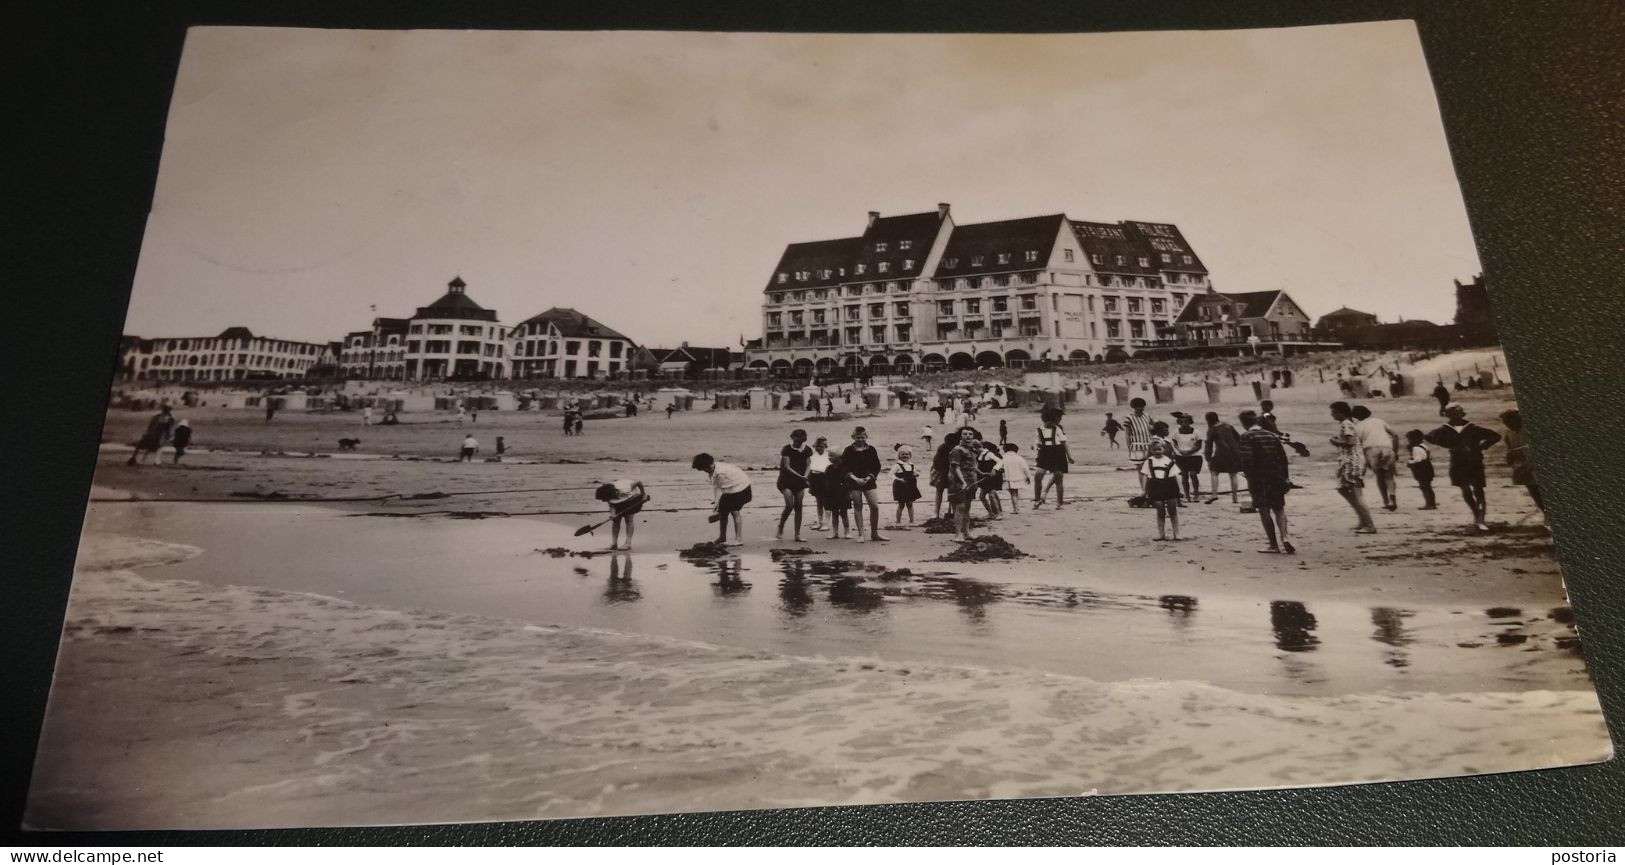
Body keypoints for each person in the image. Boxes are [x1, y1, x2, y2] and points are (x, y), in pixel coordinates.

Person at [1426, 404, 1502, 532]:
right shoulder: (1445, 429)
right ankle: (1476, 514)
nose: (1455, 416)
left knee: (1478, 490)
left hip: (1475, 461)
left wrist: (1483, 445)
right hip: (1458, 463)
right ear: (1447, 416)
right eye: (1451, 414)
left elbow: (1495, 436)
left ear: (1462, 414)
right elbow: (1429, 437)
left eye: (1457, 414)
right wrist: (1448, 445)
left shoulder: (1473, 428)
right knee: (1466, 490)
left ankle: (1481, 519)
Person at [1238, 409, 1294, 554]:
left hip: (1258, 478)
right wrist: (1285, 478)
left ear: (1243, 423)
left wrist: (1248, 475)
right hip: (1276, 476)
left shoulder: (1246, 436)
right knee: (1279, 508)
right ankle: (1285, 537)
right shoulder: (1271, 435)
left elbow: (1247, 460)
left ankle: (1273, 544)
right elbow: (1283, 459)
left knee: (1264, 510)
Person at [1329, 401, 1377, 533]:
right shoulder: (1348, 424)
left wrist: (1335, 442)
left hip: (1352, 461)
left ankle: (1369, 524)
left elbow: (1349, 442)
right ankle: (1363, 520)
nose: (1331, 415)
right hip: (1350, 461)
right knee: (1343, 489)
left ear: (1340, 412)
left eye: (1333, 412)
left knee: (1356, 494)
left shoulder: (1346, 424)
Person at [692, 452, 752, 546]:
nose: (705, 471)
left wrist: (717, 508)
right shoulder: (714, 468)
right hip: (733, 487)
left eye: (704, 469)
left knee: (734, 511)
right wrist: (716, 504)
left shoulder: (720, 473)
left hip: (742, 489)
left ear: (707, 465)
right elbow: (716, 487)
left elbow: (722, 491)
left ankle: (738, 539)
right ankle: (722, 537)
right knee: (723, 510)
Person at [1350, 405, 1402, 511]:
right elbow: (1395, 435)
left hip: (1371, 449)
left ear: (1356, 416)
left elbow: (1357, 444)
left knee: (1379, 475)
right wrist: (1395, 451)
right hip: (1387, 447)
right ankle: (1392, 499)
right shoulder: (1380, 421)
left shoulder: (1358, 426)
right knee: (1389, 476)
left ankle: (1385, 501)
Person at [842, 426, 887, 542]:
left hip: (868, 480)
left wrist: (869, 478)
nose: (861, 440)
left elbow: (876, 466)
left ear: (866, 437)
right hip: (853, 481)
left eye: (863, 437)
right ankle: (861, 534)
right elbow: (845, 467)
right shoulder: (848, 450)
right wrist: (855, 479)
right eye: (858, 437)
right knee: (858, 506)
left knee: (875, 506)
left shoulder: (871, 449)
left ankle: (874, 533)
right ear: (853, 437)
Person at [1500, 409, 1544, 515]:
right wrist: (1510, 460)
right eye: (1505, 423)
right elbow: (1509, 450)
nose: (1507, 425)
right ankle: (1545, 512)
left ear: (1518, 419)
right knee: (1533, 489)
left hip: (1535, 464)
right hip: (1522, 465)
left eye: (1509, 422)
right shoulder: (1508, 433)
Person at [1140, 440, 1183, 541]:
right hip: (1155, 486)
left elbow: (1176, 476)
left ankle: (1176, 533)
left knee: (1172, 510)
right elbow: (1145, 476)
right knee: (1160, 510)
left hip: (1169, 485)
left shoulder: (1168, 461)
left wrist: (1180, 490)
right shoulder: (1149, 461)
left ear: (1164, 449)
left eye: (1159, 449)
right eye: (1154, 450)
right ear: (1151, 450)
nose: (1157, 452)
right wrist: (1144, 490)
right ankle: (1161, 534)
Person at [1032, 405, 1074, 508]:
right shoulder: (1039, 430)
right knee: (1038, 476)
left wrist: (1069, 457)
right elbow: (1036, 443)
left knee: (1058, 477)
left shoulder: (1058, 429)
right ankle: (1037, 500)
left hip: (1057, 453)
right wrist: (1035, 447)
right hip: (1044, 454)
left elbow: (1064, 443)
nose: (1057, 422)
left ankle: (1059, 502)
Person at [776, 428, 813, 542]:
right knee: (789, 505)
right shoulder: (787, 449)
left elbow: (808, 464)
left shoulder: (807, 449)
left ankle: (797, 534)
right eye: (795, 440)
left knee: (799, 506)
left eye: (800, 441)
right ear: (792, 438)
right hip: (786, 479)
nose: (797, 443)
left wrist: (805, 475)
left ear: (803, 440)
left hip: (800, 481)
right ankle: (781, 526)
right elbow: (787, 466)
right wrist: (800, 476)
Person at [947, 427, 984, 538]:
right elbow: (956, 467)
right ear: (960, 436)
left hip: (971, 481)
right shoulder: (957, 450)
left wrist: (982, 473)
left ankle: (966, 532)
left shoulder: (972, 450)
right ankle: (958, 534)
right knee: (960, 507)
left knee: (967, 507)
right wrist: (963, 482)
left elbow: (973, 466)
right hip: (958, 481)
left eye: (970, 434)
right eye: (965, 434)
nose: (968, 436)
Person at [594, 479, 648, 551]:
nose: (603, 500)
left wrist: (643, 494)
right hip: (618, 500)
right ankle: (614, 544)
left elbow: (639, 482)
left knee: (629, 519)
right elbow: (611, 504)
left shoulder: (625, 487)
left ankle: (628, 544)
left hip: (631, 498)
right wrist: (613, 514)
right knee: (616, 521)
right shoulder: (606, 492)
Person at [1203, 411, 1243, 506]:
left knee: (1214, 472)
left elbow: (1208, 445)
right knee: (1233, 475)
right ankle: (1235, 497)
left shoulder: (1212, 429)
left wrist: (1208, 458)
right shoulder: (1228, 426)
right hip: (1235, 453)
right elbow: (1239, 438)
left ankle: (1214, 494)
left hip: (1221, 453)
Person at [1170, 415, 1204, 503]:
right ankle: (1187, 496)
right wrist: (1180, 450)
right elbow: (1174, 443)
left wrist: (1189, 451)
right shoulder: (1176, 432)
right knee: (1184, 476)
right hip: (1181, 457)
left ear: (1190, 422)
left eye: (1186, 422)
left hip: (1194, 456)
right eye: (1182, 422)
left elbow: (1199, 445)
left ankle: (1196, 494)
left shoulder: (1196, 432)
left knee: (1193, 474)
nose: (1184, 424)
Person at [1123, 398, 1155, 491]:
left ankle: (1150, 489)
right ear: (1134, 407)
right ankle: (1143, 490)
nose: (1141, 408)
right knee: (1141, 469)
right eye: (1139, 407)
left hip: (1148, 445)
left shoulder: (1147, 416)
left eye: (1142, 406)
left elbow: (1155, 426)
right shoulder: (1129, 418)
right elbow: (1127, 434)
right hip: (1137, 446)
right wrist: (1129, 447)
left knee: (1150, 468)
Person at [821, 449, 852, 540]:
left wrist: (849, 493)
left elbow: (848, 481)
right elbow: (826, 481)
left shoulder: (845, 468)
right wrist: (826, 492)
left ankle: (847, 532)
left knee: (844, 513)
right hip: (831, 493)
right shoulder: (829, 468)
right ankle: (835, 532)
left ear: (838, 457)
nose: (829, 458)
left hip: (843, 493)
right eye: (829, 456)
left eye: (831, 456)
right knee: (834, 513)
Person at [1405, 429, 1438, 510]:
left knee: (1424, 487)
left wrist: (1410, 462)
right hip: (1428, 468)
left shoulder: (1415, 448)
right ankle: (1432, 503)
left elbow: (1418, 460)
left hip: (1421, 470)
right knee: (1428, 487)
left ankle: (1429, 504)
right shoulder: (1423, 445)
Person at [930, 432, 959, 519]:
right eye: (950, 445)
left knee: (953, 493)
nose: (952, 447)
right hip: (941, 471)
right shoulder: (942, 448)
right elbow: (937, 463)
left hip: (954, 472)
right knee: (939, 491)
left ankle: (955, 512)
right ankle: (936, 512)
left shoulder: (958, 449)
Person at [891, 445, 921, 525]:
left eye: (907, 454)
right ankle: (898, 521)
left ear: (910, 455)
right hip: (900, 487)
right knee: (901, 504)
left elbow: (913, 473)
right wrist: (898, 479)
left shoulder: (911, 465)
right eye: (903, 454)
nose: (905, 456)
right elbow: (891, 474)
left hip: (911, 487)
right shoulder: (897, 465)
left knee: (910, 504)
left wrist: (915, 474)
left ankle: (912, 521)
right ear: (899, 455)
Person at [806, 436, 832, 531]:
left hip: (825, 478)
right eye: (816, 446)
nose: (818, 448)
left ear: (825, 446)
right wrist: (809, 482)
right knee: (819, 502)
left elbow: (830, 469)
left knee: (826, 502)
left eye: (820, 446)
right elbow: (810, 469)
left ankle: (826, 523)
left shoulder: (828, 456)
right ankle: (820, 522)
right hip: (815, 478)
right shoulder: (813, 456)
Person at [1000, 443, 1031, 514]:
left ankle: (1016, 509)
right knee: (1015, 493)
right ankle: (1016, 508)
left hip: (1008, 478)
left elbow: (1000, 467)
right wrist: (1028, 477)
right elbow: (1025, 468)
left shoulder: (1004, 457)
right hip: (1018, 478)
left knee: (1013, 493)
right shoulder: (1019, 457)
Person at [977, 439, 1005, 519]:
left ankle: (999, 513)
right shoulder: (979, 455)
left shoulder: (989, 453)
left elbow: (1000, 461)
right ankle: (991, 513)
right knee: (982, 497)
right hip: (983, 477)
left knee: (992, 495)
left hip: (992, 477)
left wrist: (994, 469)